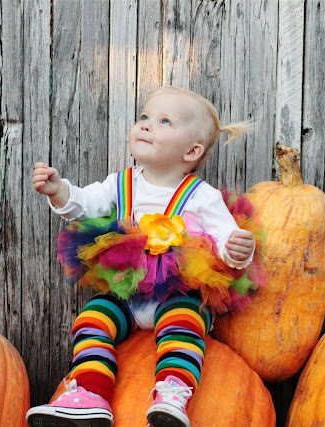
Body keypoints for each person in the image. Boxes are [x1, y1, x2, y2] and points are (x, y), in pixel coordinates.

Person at [25, 86, 264, 427]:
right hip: (126, 295)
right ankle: (90, 393)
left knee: (185, 324)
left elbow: (226, 235)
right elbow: (85, 204)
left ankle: (172, 393)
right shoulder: (121, 183)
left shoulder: (201, 196)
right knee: (92, 320)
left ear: (191, 151)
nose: (147, 124)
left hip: (178, 294)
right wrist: (59, 191)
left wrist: (238, 249)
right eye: (144, 117)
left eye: (164, 121)